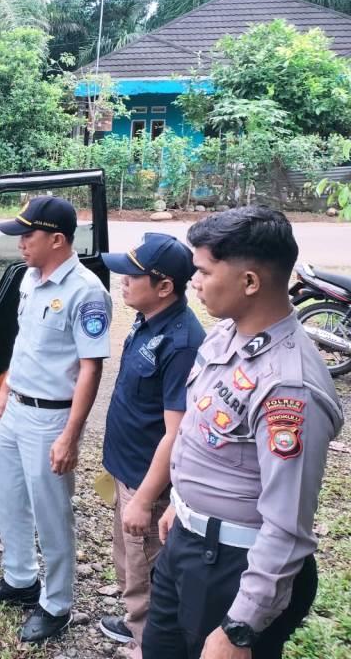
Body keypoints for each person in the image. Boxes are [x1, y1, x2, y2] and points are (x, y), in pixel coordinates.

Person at [143, 206, 344, 659]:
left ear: (250, 282)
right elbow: (203, 434)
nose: (194, 281)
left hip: (234, 568)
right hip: (191, 545)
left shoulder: (288, 386)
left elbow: (288, 527)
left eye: (204, 271)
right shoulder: (226, 335)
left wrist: (240, 626)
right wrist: (186, 505)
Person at [0, 195, 113, 643]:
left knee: (52, 514)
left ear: (57, 239)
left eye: (27, 236)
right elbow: (25, 341)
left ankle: (57, 604)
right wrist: (6, 387)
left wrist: (70, 436)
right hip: (17, 409)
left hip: (52, 418)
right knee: (10, 499)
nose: (20, 245)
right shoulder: (30, 279)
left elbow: (91, 367)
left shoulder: (86, 292)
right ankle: (19, 579)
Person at [98, 233, 206, 657]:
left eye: (133, 274)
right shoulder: (148, 321)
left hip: (149, 484)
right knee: (128, 560)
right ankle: (132, 622)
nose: (122, 279)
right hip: (128, 471)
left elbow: (175, 433)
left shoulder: (182, 343)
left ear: (165, 287)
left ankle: (147, 641)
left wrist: (144, 499)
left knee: (147, 571)